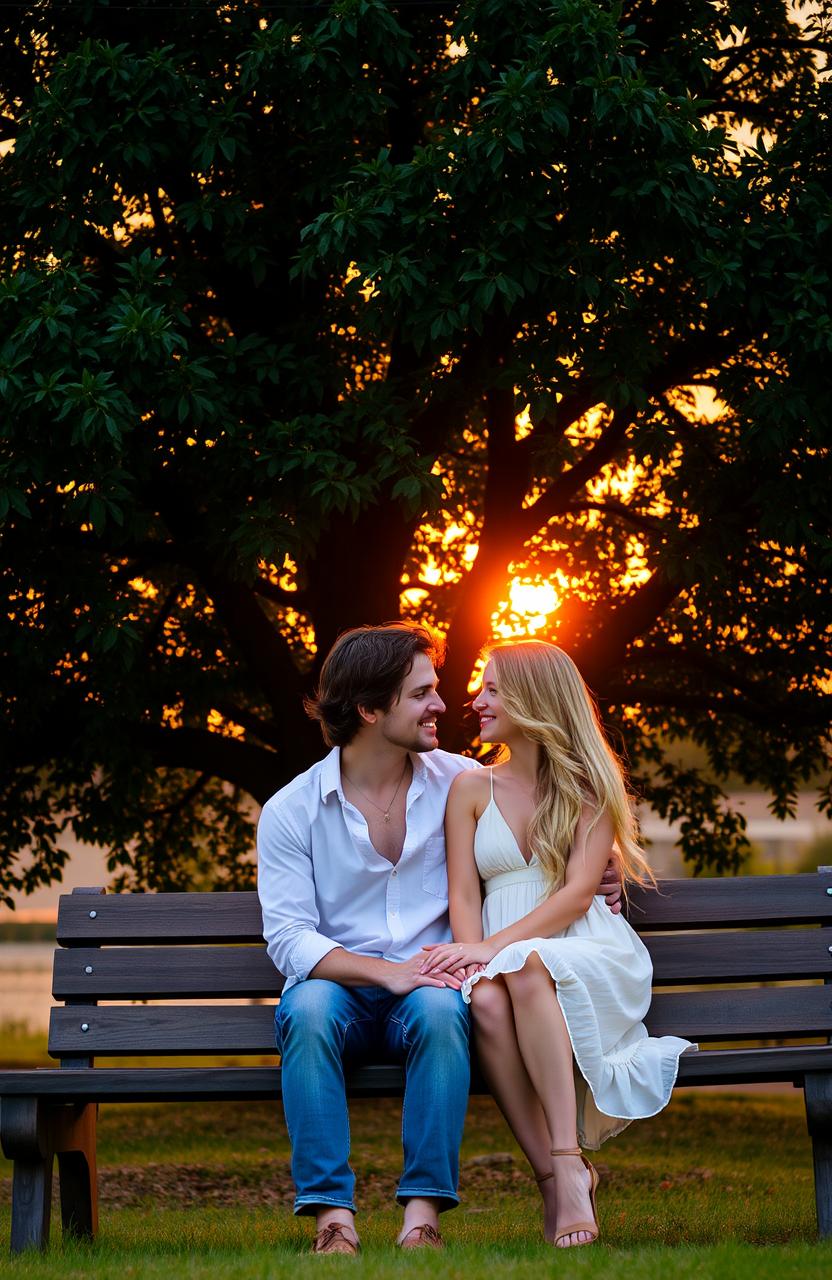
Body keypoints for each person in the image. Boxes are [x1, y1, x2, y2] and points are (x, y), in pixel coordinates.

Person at [257, 622, 622, 1255]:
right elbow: (289, 940)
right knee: (308, 1009)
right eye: (423, 694)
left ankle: (421, 1218)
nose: (443, 706)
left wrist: (603, 861)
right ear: (372, 709)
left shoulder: (458, 782)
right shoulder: (292, 810)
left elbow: (542, 814)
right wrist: (384, 971)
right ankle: (332, 1222)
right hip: (340, 985)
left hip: (432, 986)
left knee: (438, 1010)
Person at [420, 640, 695, 1248]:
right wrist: (474, 956)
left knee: (528, 966)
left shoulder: (588, 787)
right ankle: (551, 1179)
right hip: (498, 946)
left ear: (534, 699)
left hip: (581, 941)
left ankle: (569, 1161)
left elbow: (575, 897)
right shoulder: (470, 788)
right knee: (487, 1000)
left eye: (492, 689)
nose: (477, 699)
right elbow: (464, 894)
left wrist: (494, 951)